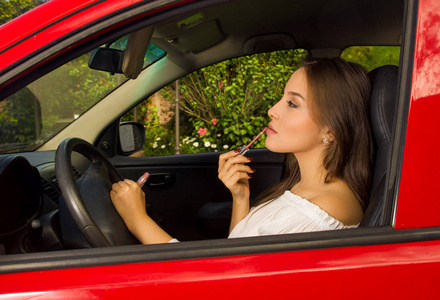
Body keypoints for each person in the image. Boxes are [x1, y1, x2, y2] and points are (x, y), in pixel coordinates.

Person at [110, 57, 373, 244]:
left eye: (292, 104)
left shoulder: (319, 213)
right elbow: (241, 253)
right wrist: (240, 197)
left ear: (331, 130)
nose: (273, 110)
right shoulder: (308, 188)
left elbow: (214, 283)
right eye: (282, 97)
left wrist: (137, 220)